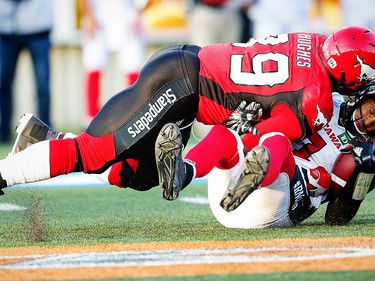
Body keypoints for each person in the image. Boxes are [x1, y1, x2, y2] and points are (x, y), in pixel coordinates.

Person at [0, 26, 375, 203]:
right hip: (184, 86)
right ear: (351, 69)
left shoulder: (309, 40)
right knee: (90, 151)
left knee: (138, 174)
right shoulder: (317, 99)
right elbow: (267, 140)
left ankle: (44, 139)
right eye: (366, 76)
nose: (365, 87)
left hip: (188, 70)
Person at [79, 0, 146, 123]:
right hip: (98, 13)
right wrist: (89, 15)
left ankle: (134, 116)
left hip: (126, 12)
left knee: (133, 65)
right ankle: (91, 120)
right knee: (94, 64)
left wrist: (137, 11)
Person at [0, 0, 54, 142]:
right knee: (3, 82)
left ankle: (46, 134)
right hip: (6, 26)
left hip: (39, 22)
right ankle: (3, 133)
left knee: (43, 85)